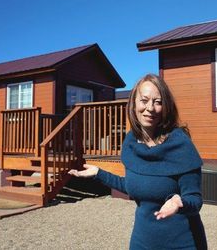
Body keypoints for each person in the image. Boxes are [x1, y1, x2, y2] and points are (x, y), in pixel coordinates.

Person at [69, 74, 207, 250]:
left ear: (166, 108)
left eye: (158, 102)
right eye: (144, 100)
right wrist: (98, 173)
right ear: (134, 104)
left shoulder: (181, 146)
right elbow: (135, 186)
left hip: (182, 243)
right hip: (142, 241)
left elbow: (195, 200)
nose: (150, 108)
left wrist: (180, 202)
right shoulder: (131, 143)